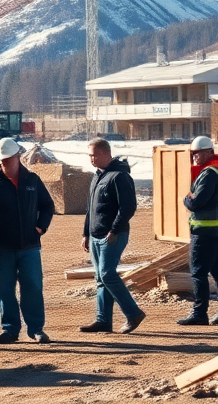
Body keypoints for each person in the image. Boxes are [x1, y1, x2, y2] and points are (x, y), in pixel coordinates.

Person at [0, 137, 55, 344]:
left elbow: (48, 205)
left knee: (32, 286)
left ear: (17, 157)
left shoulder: (32, 180)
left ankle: (36, 329)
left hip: (30, 246)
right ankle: (10, 329)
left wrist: (41, 226)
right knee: (4, 288)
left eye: (8, 159)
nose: (4, 163)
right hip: (3, 248)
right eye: (1, 160)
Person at [80, 138, 146, 334]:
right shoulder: (97, 176)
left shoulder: (119, 176)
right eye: (90, 155)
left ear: (106, 154)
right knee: (100, 277)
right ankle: (103, 321)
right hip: (95, 235)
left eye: (95, 155)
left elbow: (128, 207)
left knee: (108, 274)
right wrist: (86, 233)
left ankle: (133, 313)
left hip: (113, 235)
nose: (91, 159)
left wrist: (115, 229)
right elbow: (90, 209)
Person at [179, 135, 218, 326]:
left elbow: (195, 202)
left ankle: (199, 313)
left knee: (198, 272)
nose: (195, 157)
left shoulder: (209, 173)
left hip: (206, 231)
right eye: (193, 154)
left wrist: (187, 198)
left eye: (198, 153)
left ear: (209, 152)